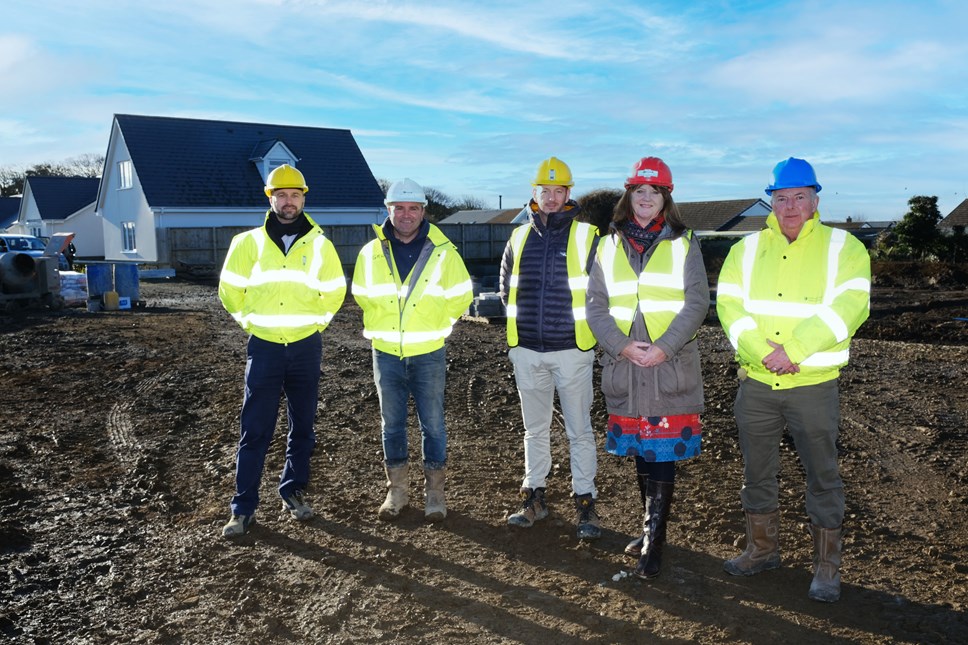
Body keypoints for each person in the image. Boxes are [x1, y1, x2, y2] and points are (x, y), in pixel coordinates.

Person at [716, 157, 871, 602]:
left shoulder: (845, 248)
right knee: (757, 471)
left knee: (823, 474)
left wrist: (795, 351)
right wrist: (766, 354)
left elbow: (849, 307)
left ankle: (827, 567)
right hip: (758, 384)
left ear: (814, 200)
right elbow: (729, 308)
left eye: (799, 197)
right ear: (772, 201)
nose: (789, 206)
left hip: (813, 384)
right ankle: (762, 550)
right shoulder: (744, 250)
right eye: (781, 198)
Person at [586, 156, 709, 578]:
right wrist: (621, 346)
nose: (645, 198)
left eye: (654, 192)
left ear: (665, 198)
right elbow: (595, 306)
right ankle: (648, 527)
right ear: (629, 196)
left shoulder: (684, 241)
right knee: (641, 450)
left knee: (661, 454)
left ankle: (654, 543)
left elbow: (697, 302)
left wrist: (664, 347)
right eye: (639, 191)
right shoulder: (606, 245)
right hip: (628, 365)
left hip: (667, 364)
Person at [217, 164, 347, 538]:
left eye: (295, 195)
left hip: (306, 346)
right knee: (255, 429)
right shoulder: (248, 243)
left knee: (303, 426)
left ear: (304, 198)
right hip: (266, 346)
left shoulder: (321, 244)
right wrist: (252, 324)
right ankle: (243, 507)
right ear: (270, 198)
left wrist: (316, 324)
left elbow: (336, 291)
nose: (288, 202)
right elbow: (229, 292)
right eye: (281, 195)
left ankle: (293, 490)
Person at [352, 178, 473, 522]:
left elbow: (461, 296)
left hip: (428, 352)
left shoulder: (443, 252)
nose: (406, 215)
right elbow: (361, 293)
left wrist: (436, 324)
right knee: (392, 425)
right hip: (386, 351)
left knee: (432, 424)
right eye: (399, 208)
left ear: (423, 211)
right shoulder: (370, 253)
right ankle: (398, 491)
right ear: (388, 210)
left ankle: (435, 492)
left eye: (413, 208)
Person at [500, 156, 602, 540]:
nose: (552, 197)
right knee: (534, 430)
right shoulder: (518, 236)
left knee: (580, 431)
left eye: (559, 191)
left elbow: (600, 292)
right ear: (535, 192)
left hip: (571, 351)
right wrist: (515, 343)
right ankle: (534, 498)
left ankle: (586, 504)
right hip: (527, 350)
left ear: (568, 194)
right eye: (546, 190)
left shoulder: (587, 236)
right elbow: (505, 288)